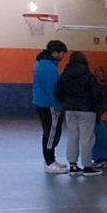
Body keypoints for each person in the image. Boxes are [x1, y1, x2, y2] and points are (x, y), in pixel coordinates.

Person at [55, 51, 107, 176]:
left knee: (72, 136)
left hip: (70, 109)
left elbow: (58, 92)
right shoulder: (88, 75)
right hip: (87, 109)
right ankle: (87, 166)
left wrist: (67, 102)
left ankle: (73, 166)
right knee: (86, 138)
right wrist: (100, 108)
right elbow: (97, 94)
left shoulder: (65, 75)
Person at [32, 39, 67, 173]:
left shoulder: (42, 63)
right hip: (49, 105)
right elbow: (52, 90)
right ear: (55, 53)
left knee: (51, 133)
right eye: (62, 53)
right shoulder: (48, 67)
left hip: (43, 103)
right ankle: (50, 162)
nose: (63, 56)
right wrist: (57, 107)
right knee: (51, 134)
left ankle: (51, 160)